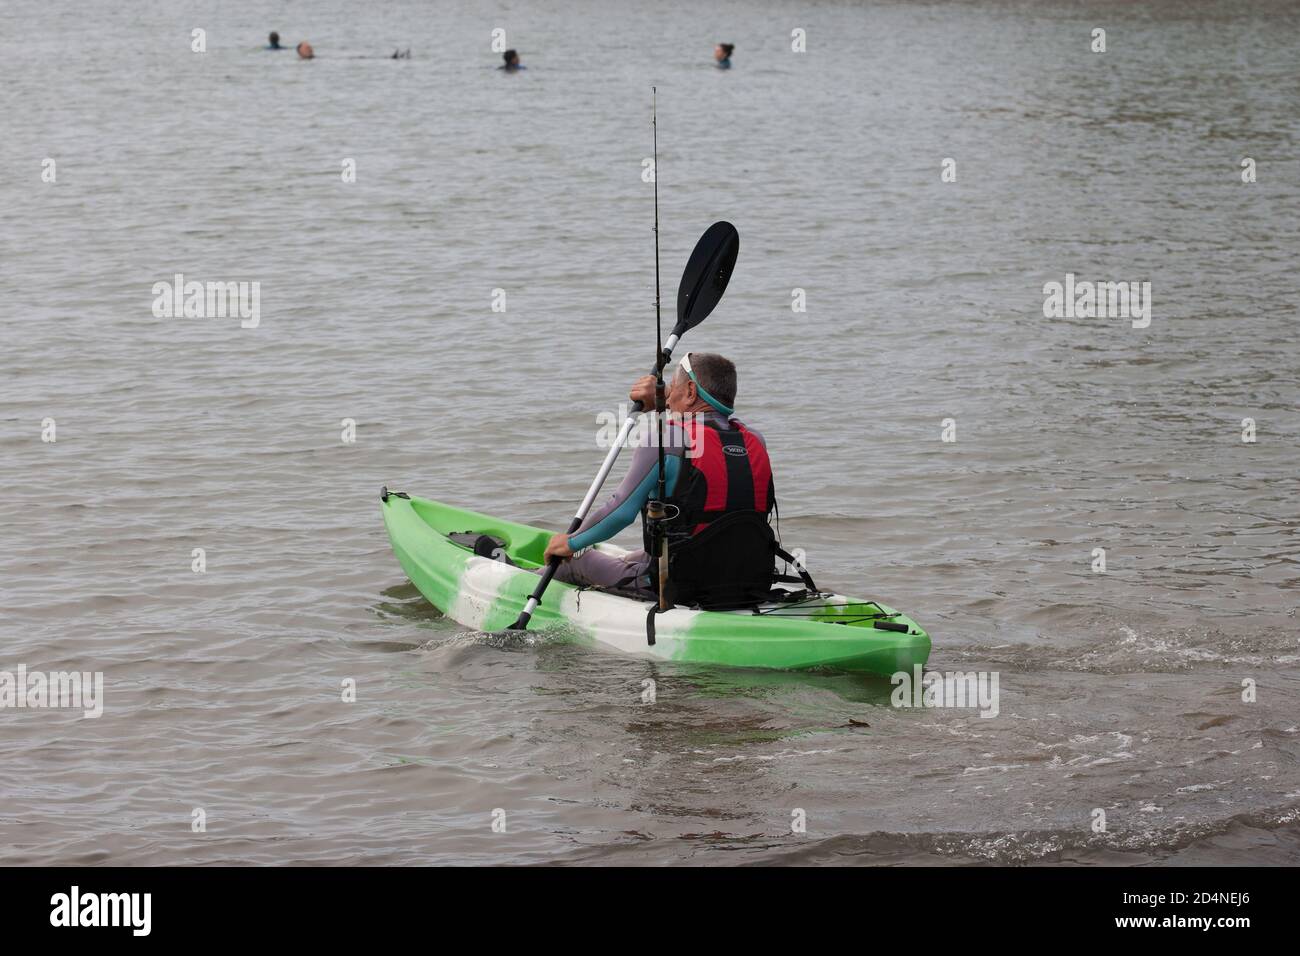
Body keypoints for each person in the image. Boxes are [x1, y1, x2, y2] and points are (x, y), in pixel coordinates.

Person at [542, 353, 779, 608]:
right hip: (748, 579)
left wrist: (571, 542)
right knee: (635, 556)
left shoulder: (665, 440)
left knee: (578, 560)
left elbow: (621, 512)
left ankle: (518, 579)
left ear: (690, 390)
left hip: (679, 585)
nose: (668, 395)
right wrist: (666, 396)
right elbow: (708, 416)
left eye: (674, 387)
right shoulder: (755, 439)